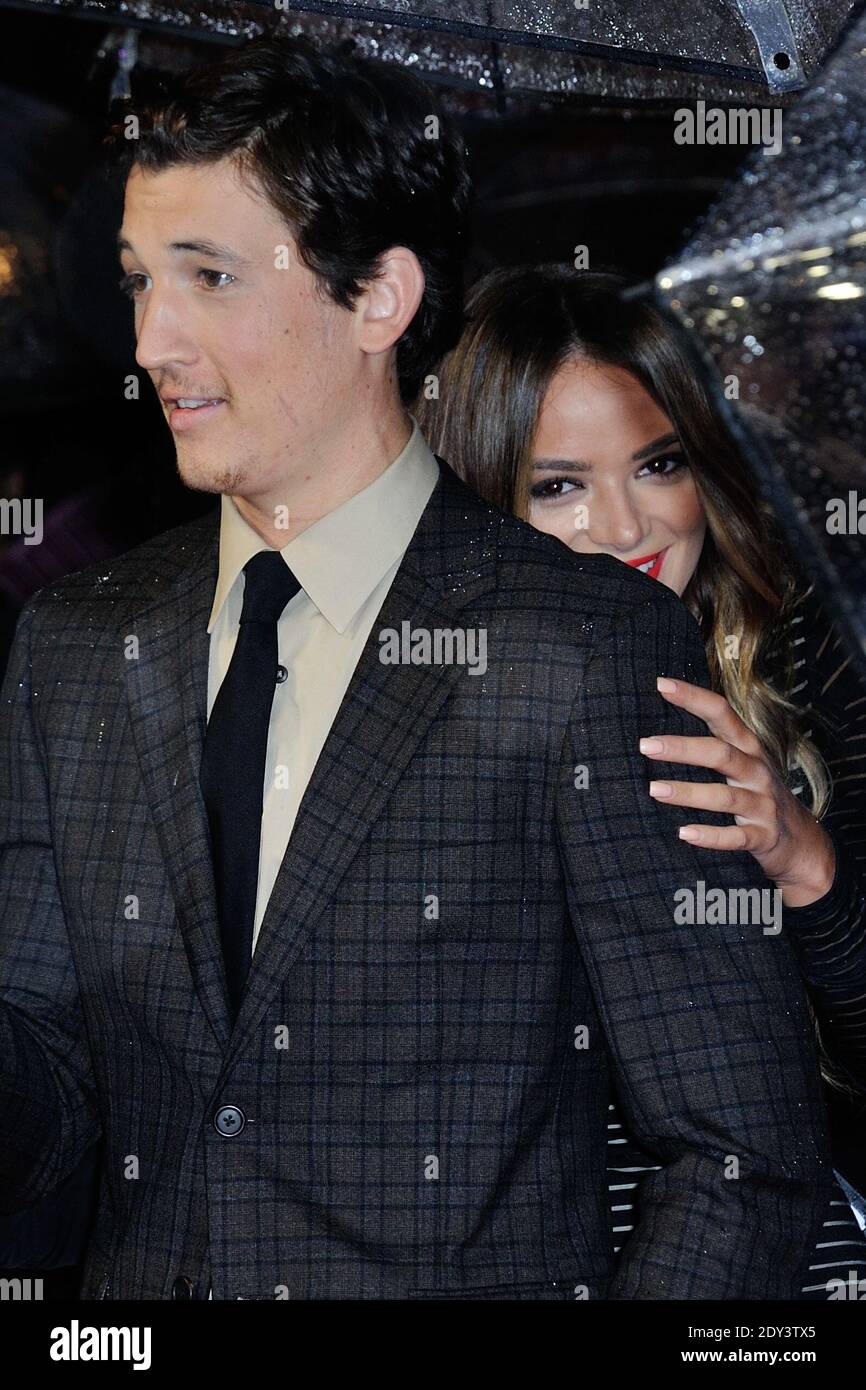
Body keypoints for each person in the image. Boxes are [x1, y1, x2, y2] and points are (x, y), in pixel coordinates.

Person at [0, 36, 837, 1302]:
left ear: (377, 299)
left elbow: (735, 1150)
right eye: (136, 282)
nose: (154, 339)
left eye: (209, 278)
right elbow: (51, 1141)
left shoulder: (584, 647)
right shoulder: (69, 649)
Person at [414, 263, 866, 1296]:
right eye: (557, 485)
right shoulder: (397, 704)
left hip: (776, 1247)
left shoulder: (806, 668)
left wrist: (806, 864)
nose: (627, 530)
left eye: (657, 464)